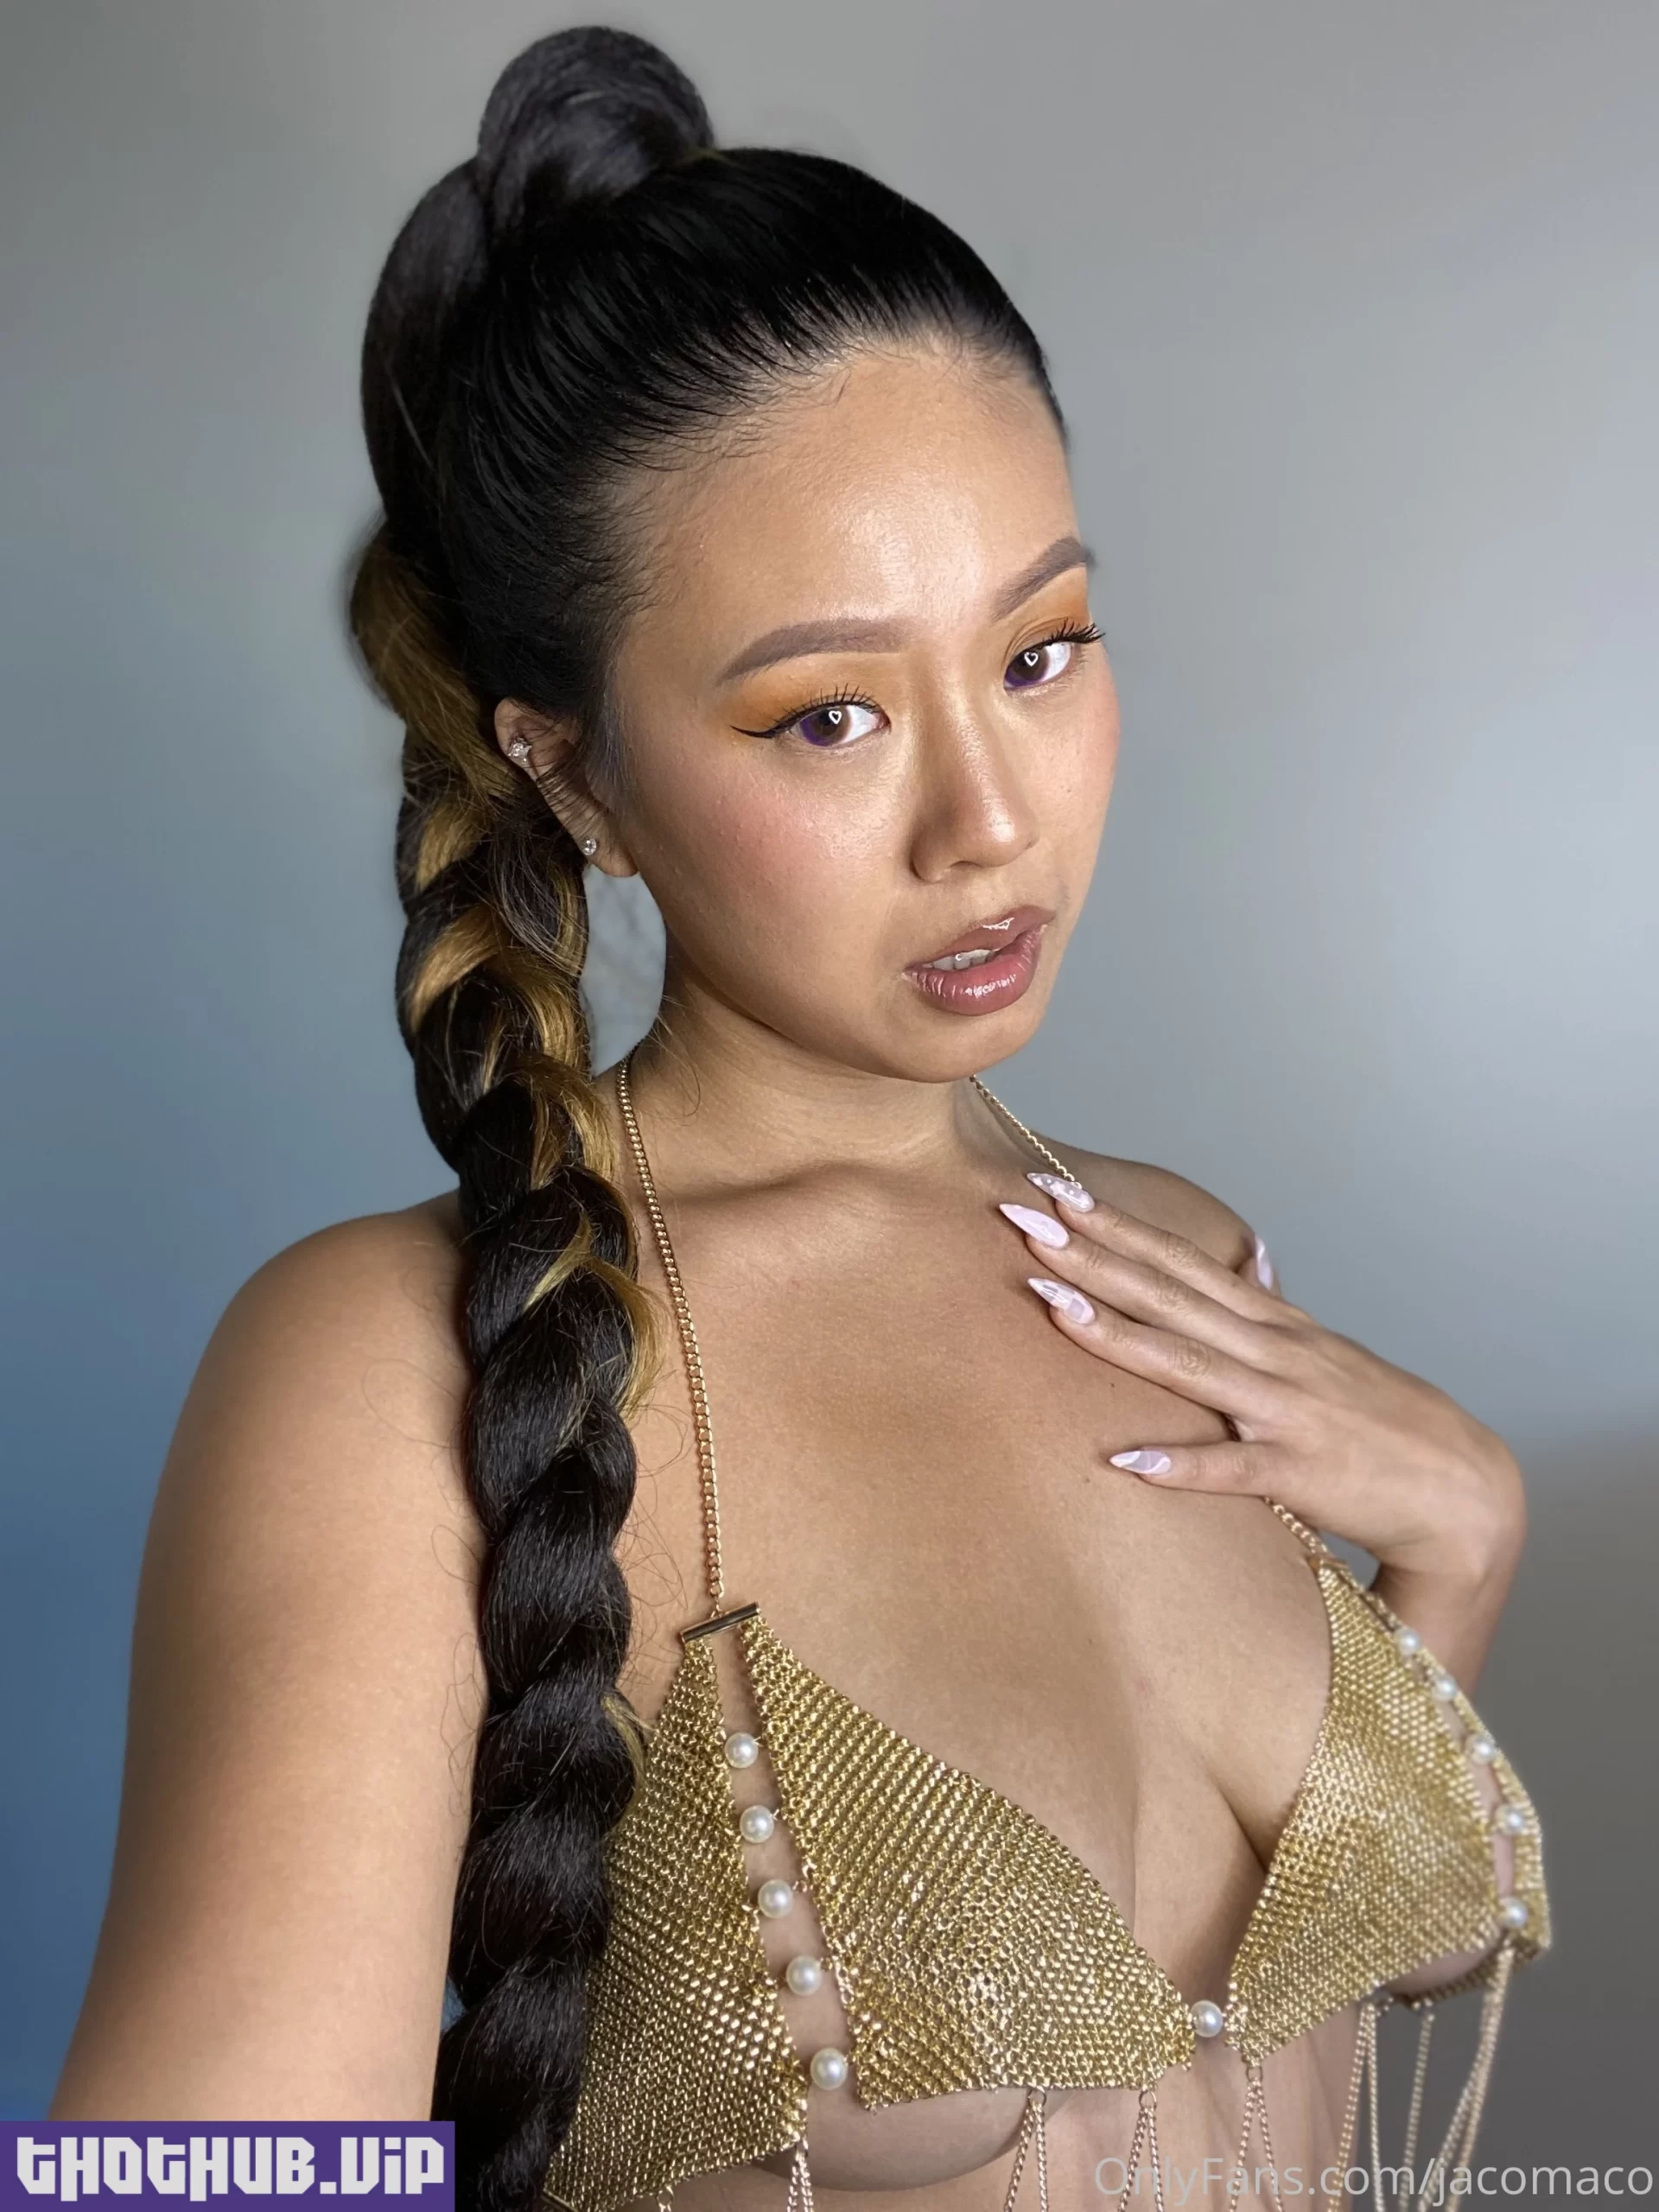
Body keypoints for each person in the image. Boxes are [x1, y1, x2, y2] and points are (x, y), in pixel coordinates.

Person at [50, 26, 1549, 2212]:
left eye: (1041, 651)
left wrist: (1462, 1551)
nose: (988, 820)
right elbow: (188, 2183)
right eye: (830, 714)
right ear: (572, 770)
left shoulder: (1173, 1262)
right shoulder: (402, 1364)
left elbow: (1298, 2005)